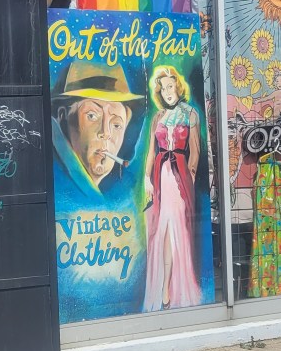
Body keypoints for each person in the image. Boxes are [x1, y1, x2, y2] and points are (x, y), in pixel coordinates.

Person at [142, 65, 203, 311]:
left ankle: (174, 287)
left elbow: (195, 151)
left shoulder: (190, 114)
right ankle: (165, 287)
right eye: (163, 88)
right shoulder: (157, 117)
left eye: (170, 86)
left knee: (177, 230)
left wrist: (190, 177)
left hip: (179, 178)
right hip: (160, 177)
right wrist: (146, 178)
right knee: (163, 231)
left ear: (178, 87)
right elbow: (151, 152)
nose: (167, 92)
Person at [51, 61, 144, 196]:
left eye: (116, 125)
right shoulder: (59, 184)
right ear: (63, 116)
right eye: (92, 116)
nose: (105, 133)